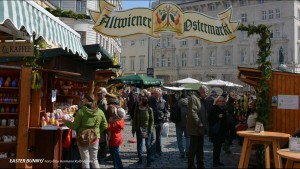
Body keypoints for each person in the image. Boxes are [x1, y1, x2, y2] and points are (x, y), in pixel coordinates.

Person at [62, 93, 108, 169]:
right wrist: (97, 132)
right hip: (95, 137)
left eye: (83, 99)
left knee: (85, 160)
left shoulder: (81, 111)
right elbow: (105, 125)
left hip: (82, 138)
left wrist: (65, 121)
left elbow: (74, 126)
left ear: (86, 100)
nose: (82, 100)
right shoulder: (99, 112)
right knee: (94, 159)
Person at [186, 85, 209, 169]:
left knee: (200, 148)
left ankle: (200, 164)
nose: (207, 94)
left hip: (200, 129)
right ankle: (191, 165)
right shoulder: (193, 98)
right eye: (206, 92)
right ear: (202, 92)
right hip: (195, 128)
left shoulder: (200, 99)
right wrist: (199, 123)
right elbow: (192, 113)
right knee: (193, 149)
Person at [132, 95, 154, 167]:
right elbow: (134, 119)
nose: (138, 102)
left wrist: (150, 129)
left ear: (143, 101)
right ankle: (140, 158)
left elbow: (152, 120)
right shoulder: (137, 109)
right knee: (139, 144)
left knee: (148, 144)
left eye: (139, 100)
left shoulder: (149, 109)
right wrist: (133, 129)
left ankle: (148, 160)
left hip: (147, 129)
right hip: (139, 128)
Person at [148, 88, 169, 157]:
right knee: (153, 138)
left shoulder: (163, 101)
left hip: (160, 121)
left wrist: (165, 117)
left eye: (155, 93)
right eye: (152, 93)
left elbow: (166, 111)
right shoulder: (149, 101)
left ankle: (158, 151)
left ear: (159, 94)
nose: (153, 94)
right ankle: (153, 153)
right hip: (152, 121)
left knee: (158, 137)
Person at [208, 96, 227, 167]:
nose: (222, 102)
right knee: (216, 147)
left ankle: (217, 161)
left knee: (219, 147)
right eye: (220, 101)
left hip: (221, 132)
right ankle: (215, 162)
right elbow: (210, 119)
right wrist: (218, 117)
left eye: (223, 101)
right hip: (216, 132)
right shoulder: (214, 109)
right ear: (216, 102)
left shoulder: (223, 109)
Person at [107, 105, 126, 169]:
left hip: (114, 139)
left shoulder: (116, 123)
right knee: (114, 154)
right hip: (117, 138)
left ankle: (120, 167)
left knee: (116, 154)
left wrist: (109, 121)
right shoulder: (120, 120)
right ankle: (116, 166)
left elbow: (109, 128)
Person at [176, 92, 190, 158]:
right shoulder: (189, 104)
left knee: (179, 138)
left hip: (178, 123)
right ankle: (187, 151)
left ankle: (181, 153)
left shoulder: (177, 103)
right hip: (187, 123)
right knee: (188, 137)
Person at [97, 87, 109, 161]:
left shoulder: (103, 102)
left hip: (102, 123)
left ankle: (103, 153)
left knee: (103, 139)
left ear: (104, 94)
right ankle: (102, 153)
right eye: (98, 94)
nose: (98, 95)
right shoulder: (100, 101)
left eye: (100, 94)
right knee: (101, 139)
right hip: (100, 123)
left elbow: (104, 114)